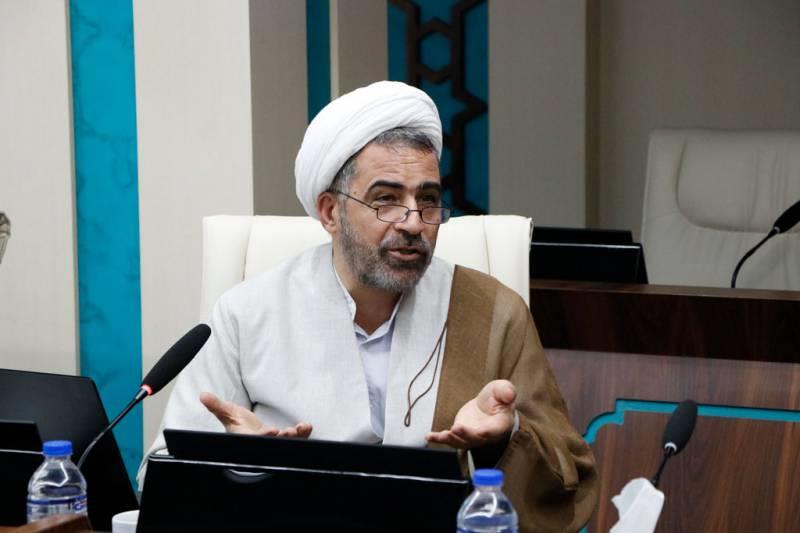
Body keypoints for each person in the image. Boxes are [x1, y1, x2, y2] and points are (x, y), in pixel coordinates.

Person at [141, 81, 597, 532]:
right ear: (330, 212)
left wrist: (502, 439)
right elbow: (161, 479)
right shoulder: (246, 313)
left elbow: (568, 480)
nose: (414, 223)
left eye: (428, 200)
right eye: (386, 200)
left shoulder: (494, 312)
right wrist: (241, 464)